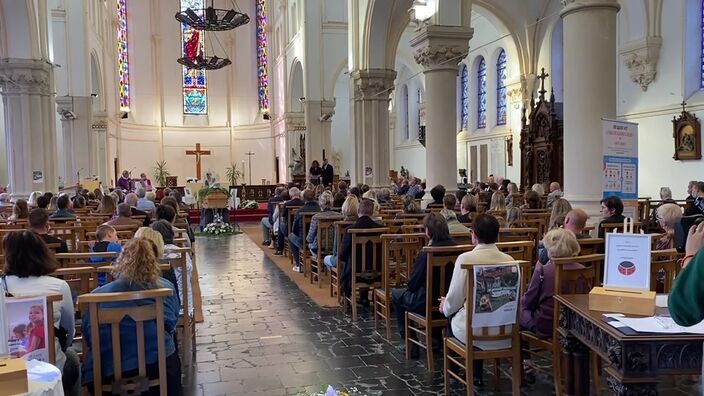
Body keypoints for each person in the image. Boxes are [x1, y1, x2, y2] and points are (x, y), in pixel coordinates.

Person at [81, 238, 182, 396]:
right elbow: (169, 324)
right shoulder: (164, 288)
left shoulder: (97, 296)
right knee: (169, 347)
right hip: (156, 367)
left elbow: (89, 335)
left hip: (108, 371)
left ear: (121, 260)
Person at [439, 214, 514, 385]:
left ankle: (455, 374)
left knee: (452, 315)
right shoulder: (509, 260)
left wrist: (445, 305)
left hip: (475, 333)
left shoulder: (466, 259)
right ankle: (476, 375)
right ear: (497, 235)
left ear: (473, 234)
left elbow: (455, 300)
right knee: (472, 312)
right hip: (505, 330)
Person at [2, 231, 80, 395]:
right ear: (42, 254)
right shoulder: (59, 286)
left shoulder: (1, 286)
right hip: (49, 367)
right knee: (72, 357)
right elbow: (69, 332)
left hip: (7, 369)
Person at [392, 214, 456, 347]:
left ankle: (410, 343)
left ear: (428, 232)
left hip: (426, 302)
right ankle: (436, 338)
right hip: (450, 301)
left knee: (397, 294)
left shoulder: (427, 253)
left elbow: (413, 284)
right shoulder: (458, 249)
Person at [520, 229, 584, 339]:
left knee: (518, 308)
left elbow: (529, 301)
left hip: (547, 325)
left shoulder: (543, 270)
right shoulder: (584, 269)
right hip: (576, 326)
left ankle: (520, 353)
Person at [339, 198, 384, 302]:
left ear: (358, 211)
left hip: (355, 273)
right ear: (372, 212)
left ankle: (347, 296)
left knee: (349, 261)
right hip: (377, 272)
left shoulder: (350, 230)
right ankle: (364, 298)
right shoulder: (381, 229)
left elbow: (342, 255)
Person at [152, 220, 193, 315]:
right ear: (171, 234)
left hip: (154, 307)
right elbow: (189, 273)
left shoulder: (151, 254)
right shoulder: (180, 252)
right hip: (182, 304)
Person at [288, 189, 321, 272]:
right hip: (319, 240)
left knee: (291, 236)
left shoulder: (300, 211)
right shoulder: (320, 209)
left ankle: (299, 265)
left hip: (303, 240)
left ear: (303, 198)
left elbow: (294, 230)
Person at [323, 195, 359, 270]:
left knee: (326, 259)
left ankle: (338, 277)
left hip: (342, 258)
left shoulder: (340, 225)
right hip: (358, 258)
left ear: (344, 208)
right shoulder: (359, 224)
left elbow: (336, 250)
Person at [306, 191, 341, 258]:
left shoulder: (316, 217)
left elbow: (310, 238)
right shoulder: (340, 216)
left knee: (310, 244)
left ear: (320, 203)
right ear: (332, 203)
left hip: (318, 248)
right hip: (335, 247)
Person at [274, 187, 304, 255]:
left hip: (289, 229)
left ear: (290, 195)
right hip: (302, 230)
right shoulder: (303, 203)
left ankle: (280, 249)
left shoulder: (287, 204)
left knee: (281, 225)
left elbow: (283, 216)